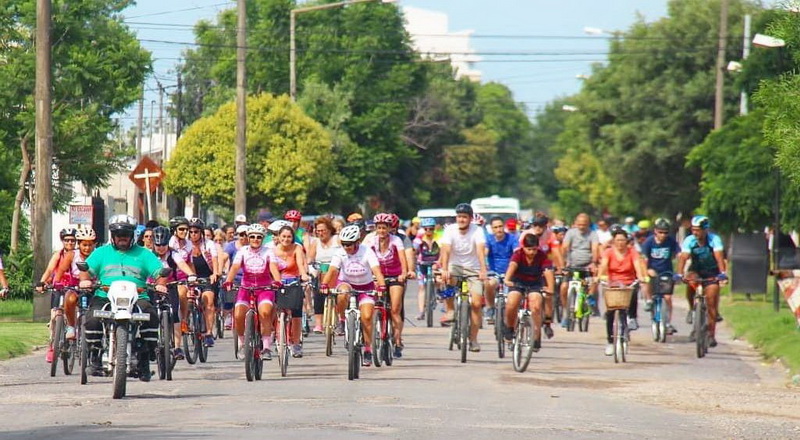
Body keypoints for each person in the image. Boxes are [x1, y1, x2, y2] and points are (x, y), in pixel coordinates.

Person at [78, 215, 169, 381]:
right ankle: (96, 354)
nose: (122, 238)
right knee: (92, 318)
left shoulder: (144, 254)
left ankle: (144, 358)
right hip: (105, 296)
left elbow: (160, 272)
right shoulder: (101, 253)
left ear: (132, 236)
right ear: (113, 236)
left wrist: (161, 283)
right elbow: (86, 270)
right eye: (119, 235)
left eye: (126, 235)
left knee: (151, 315)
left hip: (137, 296)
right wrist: (85, 280)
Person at [321, 224, 386, 367]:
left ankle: (368, 349)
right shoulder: (340, 253)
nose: (347, 247)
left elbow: (377, 271)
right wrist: (324, 284)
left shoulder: (367, 251)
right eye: (344, 244)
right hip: (347, 283)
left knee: (367, 317)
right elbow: (332, 271)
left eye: (349, 244)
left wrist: (381, 286)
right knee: (342, 292)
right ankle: (343, 319)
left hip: (366, 286)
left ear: (357, 242)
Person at [224, 223, 281, 360]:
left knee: (265, 312)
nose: (255, 239)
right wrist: (229, 280)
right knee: (238, 315)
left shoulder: (268, 251)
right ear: (248, 238)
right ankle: (243, 344)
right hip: (246, 287)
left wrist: (277, 280)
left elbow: (273, 267)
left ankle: (266, 347)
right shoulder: (242, 251)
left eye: (259, 237)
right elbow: (235, 266)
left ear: (262, 238)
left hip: (264, 288)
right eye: (253, 236)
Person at [440, 203, 488, 352]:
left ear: (470, 218)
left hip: (473, 269)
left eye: (465, 217)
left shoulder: (477, 230)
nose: (461, 220)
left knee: (476, 303)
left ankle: (473, 339)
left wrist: (483, 270)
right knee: (447, 280)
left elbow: (480, 251)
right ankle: (450, 309)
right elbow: (446, 251)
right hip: (455, 267)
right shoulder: (450, 230)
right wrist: (444, 269)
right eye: (459, 217)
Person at [676, 215, 727, 347]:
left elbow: (719, 257)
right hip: (696, 270)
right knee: (690, 281)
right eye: (693, 229)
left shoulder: (714, 240)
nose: (695, 232)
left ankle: (711, 335)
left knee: (711, 301)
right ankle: (691, 308)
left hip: (712, 272)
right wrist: (679, 274)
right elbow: (683, 257)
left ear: (705, 230)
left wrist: (722, 273)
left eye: (698, 230)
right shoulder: (689, 240)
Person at [598, 228, 646, 356]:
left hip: (628, 283)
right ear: (614, 241)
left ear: (627, 241)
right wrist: (599, 277)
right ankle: (610, 341)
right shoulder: (608, 252)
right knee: (610, 312)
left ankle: (632, 317)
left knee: (633, 292)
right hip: (612, 284)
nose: (620, 243)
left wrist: (641, 277)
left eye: (622, 240)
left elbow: (637, 265)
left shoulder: (632, 252)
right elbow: (603, 266)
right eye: (617, 240)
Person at [368, 213, 411, 358]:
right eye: (379, 228)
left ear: (389, 228)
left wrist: (404, 272)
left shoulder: (396, 241)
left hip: (395, 276)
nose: (381, 231)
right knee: (373, 304)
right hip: (378, 276)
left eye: (384, 228)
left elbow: (402, 258)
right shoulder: (371, 242)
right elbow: (365, 258)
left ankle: (398, 340)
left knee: (395, 309)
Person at [502, 234, 555, 352]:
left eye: (534, 249)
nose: (531, 252)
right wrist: (507, 279)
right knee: (512, 302)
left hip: (535, 284)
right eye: (529, 249)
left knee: (535, 306)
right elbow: (512, 265)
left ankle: (536, 337)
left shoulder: (542, 256)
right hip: (518, 282)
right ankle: (510, 328)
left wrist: (550, 287)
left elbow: (548, 271)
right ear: (523, 247)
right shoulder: (518, 255)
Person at [151, 226, 196, 360]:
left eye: (164, 245)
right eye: (158, 245)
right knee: (148, 314)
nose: (161, 248)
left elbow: (182, 264)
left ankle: (177, 347)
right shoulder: (148, 255)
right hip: (152, 287)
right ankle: (150, 344)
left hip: (170, 286)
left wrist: (191, 275)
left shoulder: (173, 254)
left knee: (175, 314)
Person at [52, 226, 97, 350]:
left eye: (90, 245)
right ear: (79, 244)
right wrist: (56, 282)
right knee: (70, 299)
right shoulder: (72, 255)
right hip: (75, 286)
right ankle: (71, 327)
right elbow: (60, 270)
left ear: (94, 244)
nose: (87, 248)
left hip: (93, 287)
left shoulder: (98, 255)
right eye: (84, 245)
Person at [35, 227, 77, 363]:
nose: (70, 243)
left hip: (74, 288)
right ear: (62, 241)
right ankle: (52, 346)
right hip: (59, 287)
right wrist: (42, 282)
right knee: (54, 316)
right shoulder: (58, 255)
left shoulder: (78, 255)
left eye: (72, 240)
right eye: (67, 240)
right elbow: (49, 270)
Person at [271, 223, 310, 358]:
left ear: (292, 237)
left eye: (289, 237)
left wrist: (304, 275)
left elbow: (300, 264)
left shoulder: (297, 248)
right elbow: (272, 267)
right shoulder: (273, 251)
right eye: (283, 236)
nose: (286, 239)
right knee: (274, 309)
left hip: (294, 281)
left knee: (296, 314)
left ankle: (296, 343)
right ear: (279, 237)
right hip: (278, 282)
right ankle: (276, 336)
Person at [640, 218, 681, 335]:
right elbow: (644, 259)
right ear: (655, 231)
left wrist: (680, 270)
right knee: (648, 281)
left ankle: (667, 323)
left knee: (667, 298)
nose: (663, 235)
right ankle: (648, 300)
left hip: (666, 272)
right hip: (652, 271)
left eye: (665, 232)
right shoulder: (648, 242)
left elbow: (679, 254)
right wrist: (647, 270)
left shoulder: (671, 241)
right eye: (660, 232)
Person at [559, 213, 600, 326]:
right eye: (579, 224)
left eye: (584, 225)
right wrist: (564, 262)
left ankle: (590, 299)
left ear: (588, 224)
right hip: (572, 264)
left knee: (595, 280)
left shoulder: (593, 234)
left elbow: (595, 248)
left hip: (587, 264)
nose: (582, 227)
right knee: (563, 287)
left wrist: (594, 262)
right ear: (576, 223)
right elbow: (565, 247)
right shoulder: (571, 233)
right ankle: (566, 313)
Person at [187, 218, 221, 347]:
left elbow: (215, 259)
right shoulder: (185, 245)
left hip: (207, 276)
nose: (193, 234)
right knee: (185, 298)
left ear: (201, 232)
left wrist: (215, 273)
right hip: (190, 277)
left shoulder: (209, 244)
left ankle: (208, 333)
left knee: (209, 300)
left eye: (196, 231)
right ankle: (185, 323)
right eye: (190, 232)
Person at [307, 216, 341, 333]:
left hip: (337, 270)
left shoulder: (337, 239)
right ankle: (318, 324)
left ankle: (341, 319)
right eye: (318, 231)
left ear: (330, 230)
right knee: (317, 291)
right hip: (321, 271)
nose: (321, 233)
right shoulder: (315, 243)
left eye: (323, 230)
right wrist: (311, 269)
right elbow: (310, 259)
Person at [485, 216, 517, 326]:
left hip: (509, 273)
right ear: (492, 229)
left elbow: (516, 252)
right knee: (489, 284)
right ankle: (490, 308)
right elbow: (485, 251)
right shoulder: (488, 239)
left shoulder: (512, 238)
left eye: (500, 226)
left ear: (504, 227)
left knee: (510, 298)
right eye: (495, 227)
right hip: (494, 272)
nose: (498, 229)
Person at [414, 218, 441, 320]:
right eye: (426, 229)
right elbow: (413, 250)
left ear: (434, 229)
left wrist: (439, 263)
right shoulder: (419, 237)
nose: (428, 231)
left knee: (439, 279)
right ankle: (421, 312)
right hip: (422, 263)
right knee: (421, 287)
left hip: (436, 263)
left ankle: (438, 292)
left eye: (431, 229)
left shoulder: (439, 237)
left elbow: (443, 250)